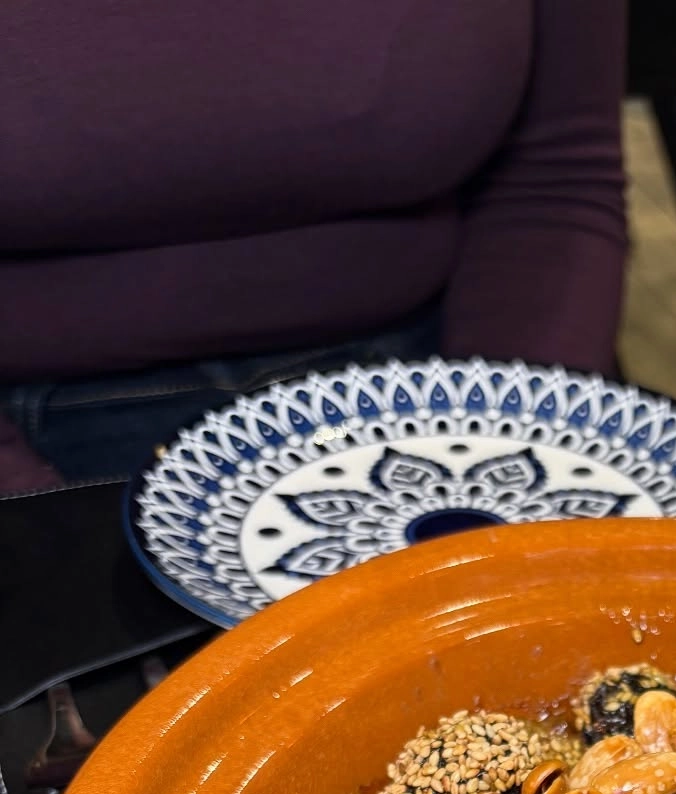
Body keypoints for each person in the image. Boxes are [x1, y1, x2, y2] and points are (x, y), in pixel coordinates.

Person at [0, 0, 628, 494]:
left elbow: (553, 174)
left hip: (448, 363)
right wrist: (39, 527)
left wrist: (518, 452)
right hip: (40, 421)